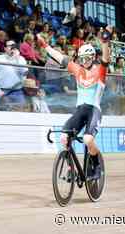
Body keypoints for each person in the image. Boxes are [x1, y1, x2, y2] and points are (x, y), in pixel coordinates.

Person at [37, 28, 111, 179]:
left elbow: (105, 59)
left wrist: (104, 43)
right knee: (64, 138)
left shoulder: (100, 72)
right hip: (80, 110)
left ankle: (97, 167)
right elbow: (61, 58)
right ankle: (71, 168)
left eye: (87, 58)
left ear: (93, 57)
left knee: (87, 139)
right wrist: (45, 46)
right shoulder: (78, 70)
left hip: (93, 111)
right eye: (82, 59)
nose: (84, 62)